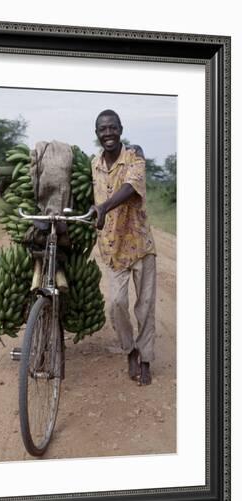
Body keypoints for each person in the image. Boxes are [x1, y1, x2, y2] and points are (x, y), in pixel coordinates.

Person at [91, 109, 156, 386]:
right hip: (112, 247)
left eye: (112, 128)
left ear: (120, 129)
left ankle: (145, 358)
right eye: (103, 129)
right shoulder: (94, 165)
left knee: (145, 307)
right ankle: (129, 348)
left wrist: (105, 206)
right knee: (117, 303)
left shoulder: (135, 157)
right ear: (97, 134)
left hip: (140, 245)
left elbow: (131, 187)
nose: (108, 133)